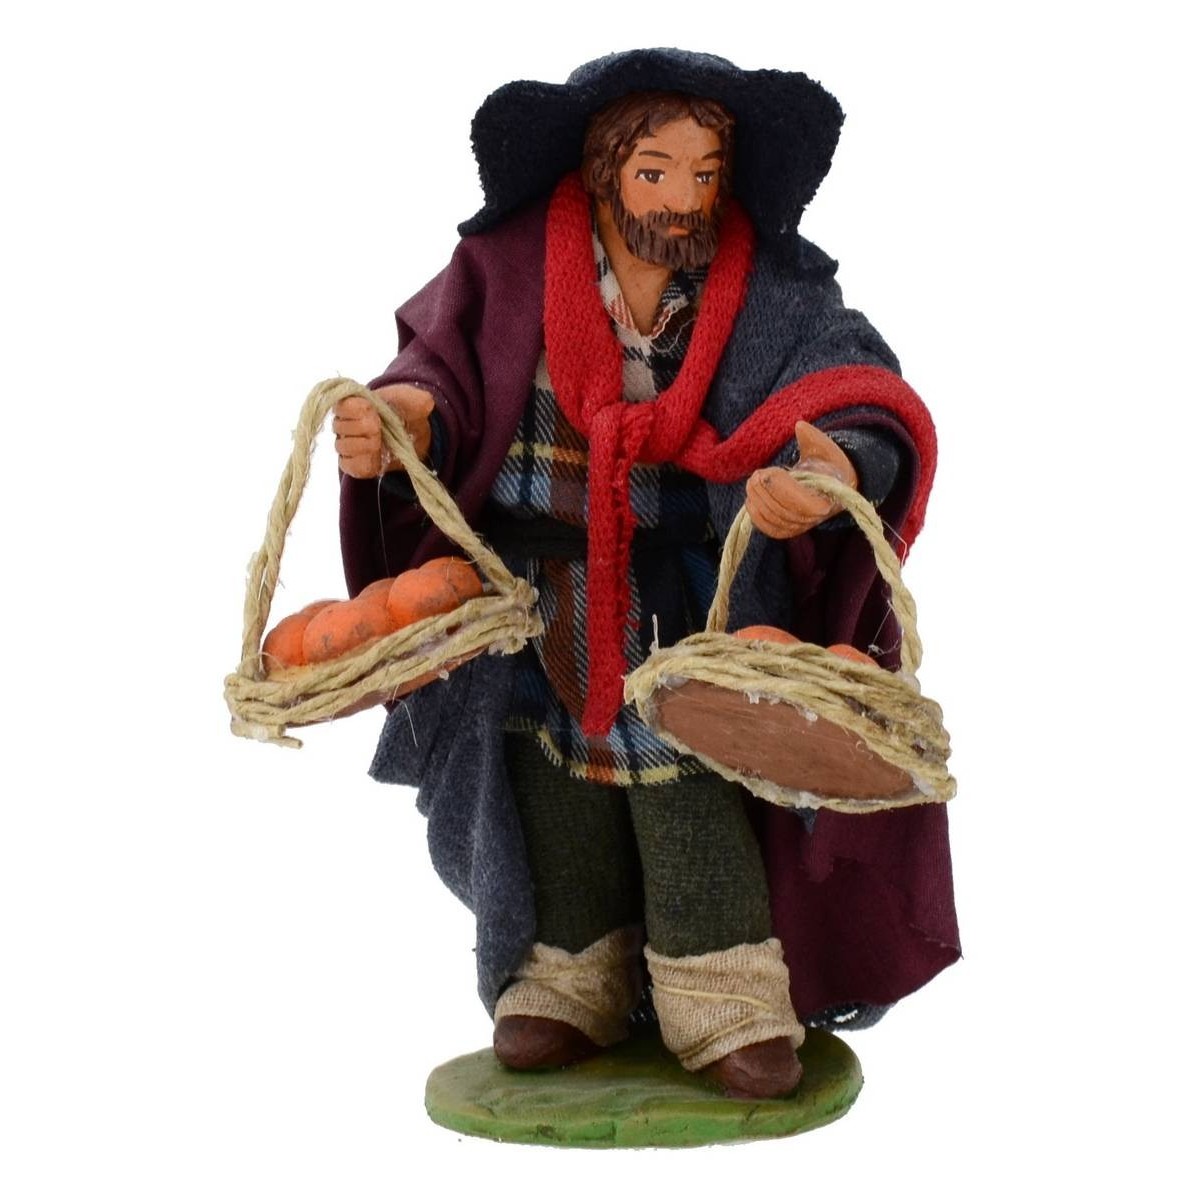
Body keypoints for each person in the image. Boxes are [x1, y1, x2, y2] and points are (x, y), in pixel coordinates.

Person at [336, 49, 959, 1100]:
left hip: (686, 602)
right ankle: (567, 975)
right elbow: (441, 369)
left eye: (705, 175)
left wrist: (832, 467)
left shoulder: (770, 286)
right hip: (536, 599)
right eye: (657, 172)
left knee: (688, 785)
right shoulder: (506, 267)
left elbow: (851, 384)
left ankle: (723, 995)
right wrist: (405, 419)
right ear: (603, 170)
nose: (682, 199)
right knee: (549, 779)